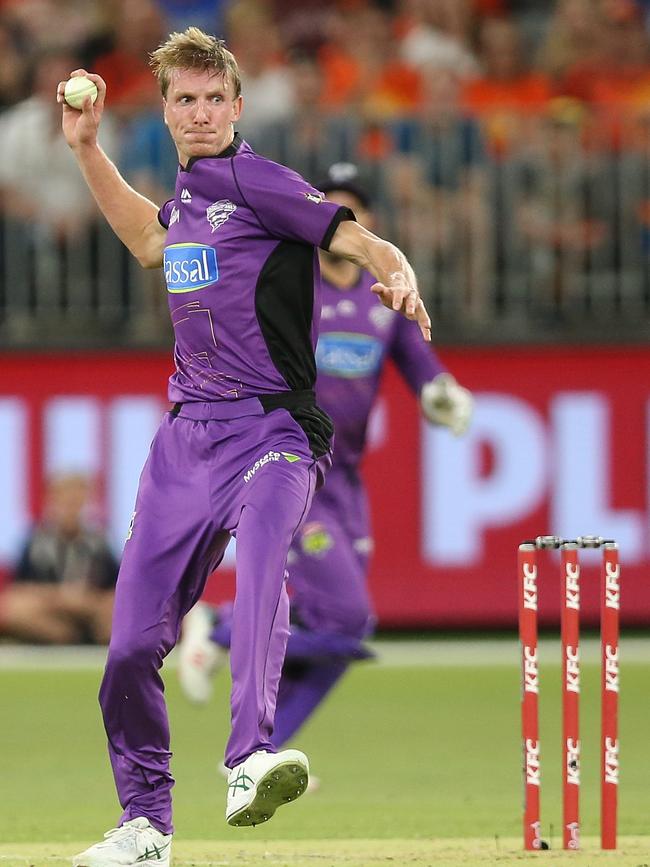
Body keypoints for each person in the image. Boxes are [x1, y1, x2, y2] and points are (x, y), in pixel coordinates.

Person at [57, 27, 431, 867]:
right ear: (166, 111)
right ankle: (146, 825)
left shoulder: (259, 182)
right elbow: (149, 241)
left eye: (212, 99)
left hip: (275, 428)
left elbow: (349, 234)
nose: (198, 113)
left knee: (264, 557)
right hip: (187, 440)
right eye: (183, 101)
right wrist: (85, 151)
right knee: (125, 649)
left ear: (236, 106)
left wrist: (393, 264)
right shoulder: (187, 203)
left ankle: (247, 757)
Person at [177, 163, 473, 773]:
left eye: (352, 210)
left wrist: (443, 392)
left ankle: (260, 751)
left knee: (335, 635)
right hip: (293, 465)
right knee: (348, 617)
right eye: (328, 207)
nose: (339, 220)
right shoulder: (289, 286)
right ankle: (219, 630)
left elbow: (420, 364)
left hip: (347, 483)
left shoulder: (382, 300)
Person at [0, 472, 117, 645]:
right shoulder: (36, 543)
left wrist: (88, 601)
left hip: (90, 613)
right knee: (17, 608)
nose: (70, 508)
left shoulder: (99, 543)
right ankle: (68, 636)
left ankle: (81, 636)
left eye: (76, 501)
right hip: (50, 612)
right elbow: (20, 589)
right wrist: (60, 597)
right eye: (65, 501)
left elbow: (115, 589)